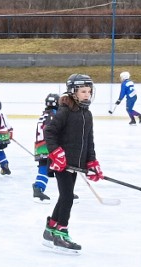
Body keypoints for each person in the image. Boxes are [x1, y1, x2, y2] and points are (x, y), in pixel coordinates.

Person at [42, 73, 103, 253]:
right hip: (61, 164)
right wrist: (56, 153)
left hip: (75, 164)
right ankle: (61, 233)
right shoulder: (65, 111)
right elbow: (49, 132)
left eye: (89, 91)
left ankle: (50, 229)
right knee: (68, 197)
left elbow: (88, 140)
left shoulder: (87, 114)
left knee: (65, 196)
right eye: (83, 91)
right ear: (73, 92)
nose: (87, 95)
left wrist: (91, 162)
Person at [32, 93, 59, 202]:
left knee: (43, 167)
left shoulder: (44, 114)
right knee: (61, 168)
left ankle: (38, 188)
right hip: (50, 145)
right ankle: (67, 192)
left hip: (40, 146)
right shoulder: (54, 115)